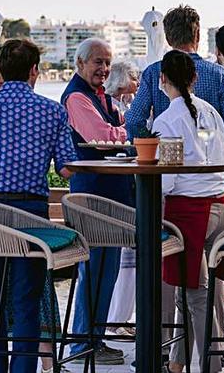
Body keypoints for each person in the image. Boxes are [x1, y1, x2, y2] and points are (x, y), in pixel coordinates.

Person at [0, 38, 77, 373]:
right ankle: (24, 370)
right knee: (26, 298)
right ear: (35, 71)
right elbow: (66, 168)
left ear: (1, 70)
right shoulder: (53, 110)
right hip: (31, 213)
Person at [151, 50, 224, 373]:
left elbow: (167, 179)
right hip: (221, 206)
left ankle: (210, 366)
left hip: (190, 212)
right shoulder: (211, 113)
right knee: (192, 288)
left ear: (162, 80)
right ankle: (177, 361)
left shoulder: (167, 120)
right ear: (195, 79)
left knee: (196, 294)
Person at [61, 37, 130, 365]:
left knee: (107, 269)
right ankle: (82, 344)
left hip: (108, 194)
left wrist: (119, 129)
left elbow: (114, 129)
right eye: (97, 62)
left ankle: (95, 339)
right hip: (92, 195)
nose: (104, 69)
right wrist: (123, 132)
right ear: (80, 64)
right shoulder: (76, 96)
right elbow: (100, 138)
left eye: (107, 62)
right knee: (95, 269)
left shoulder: (102, 97)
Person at [126, 5, 224, 142]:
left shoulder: (153, 72)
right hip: (209, 159)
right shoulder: (220, 75)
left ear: (168, 39)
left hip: (166, 156)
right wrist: (212, 144)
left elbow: (134, 121)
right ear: (197, 35)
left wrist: (152, 142)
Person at [103, 60, 141, 340]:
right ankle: (115, 319)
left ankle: (118, 318)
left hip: (125, 184)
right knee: (125, 259)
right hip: (119, 187)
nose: (138, 83)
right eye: (134, 78)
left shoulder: (119, 104)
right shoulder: (114, 106)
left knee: (127, 260)